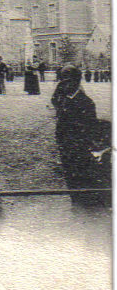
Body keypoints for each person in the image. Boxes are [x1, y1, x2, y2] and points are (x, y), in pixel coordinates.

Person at [52, 65, 99, 204]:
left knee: (80, 179)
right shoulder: (65, 100)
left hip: (79, 148)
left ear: (76, 82)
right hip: (66, 147)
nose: (64, 85)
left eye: (68, 82)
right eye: (62, 82)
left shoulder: (86, 102)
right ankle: (76, 201)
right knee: (71, 178)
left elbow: (91, 129)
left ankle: (83, 204)